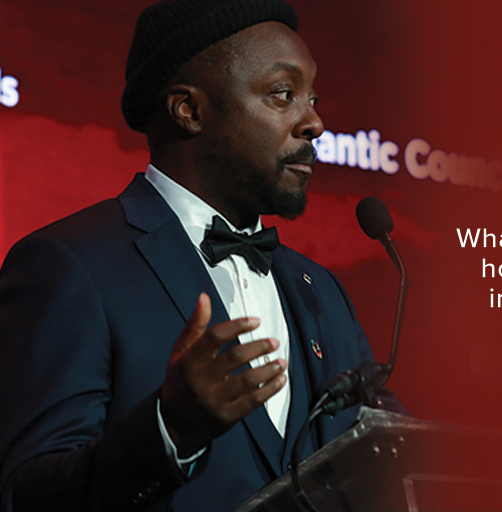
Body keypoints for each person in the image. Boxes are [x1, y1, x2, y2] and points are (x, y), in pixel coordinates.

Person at [0, 0, 403, 510]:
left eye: (312, 97)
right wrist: (170, 430)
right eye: (284, 95)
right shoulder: (68, 265)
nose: (315, 123)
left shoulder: (320, 290)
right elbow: (22, 495)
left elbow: (393, 455)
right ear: (189, 110)